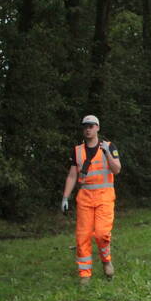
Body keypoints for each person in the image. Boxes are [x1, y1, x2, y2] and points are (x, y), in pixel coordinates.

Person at [62, 115, 122, 286]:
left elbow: (117, 169)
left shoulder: (109, 146)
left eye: (91, 126)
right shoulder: (77, 150)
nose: (88, 129)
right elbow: (73, 175)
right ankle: (85, 274)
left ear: (97, 128)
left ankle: (106, 260)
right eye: (85, 126)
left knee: (102, 234)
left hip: (105, 196)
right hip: (85, 198)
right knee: (83, 236)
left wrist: (107, 153)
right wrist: (65, 197)